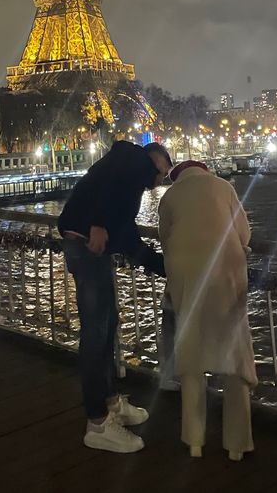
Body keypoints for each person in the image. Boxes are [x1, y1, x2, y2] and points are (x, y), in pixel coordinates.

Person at [58, 139, 172, 453]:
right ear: (154, 161)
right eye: (161, 173)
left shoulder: (125, 182)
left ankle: (109, 403)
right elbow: (105, 185)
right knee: (96, 334)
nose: (159, 181)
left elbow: (127, 235)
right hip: (85, 245)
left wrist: (164, 267)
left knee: (106, 328)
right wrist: (96, 223)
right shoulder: (133, 161)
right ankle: (97, 423)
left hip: (89, 248)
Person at [158, 160, 256, 461]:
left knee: (191, 359)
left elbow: (165, 239)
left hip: (188, 283)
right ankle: (237, 444)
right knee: (234, 358)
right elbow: (245, 234)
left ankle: (194, 440)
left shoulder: (169, 197)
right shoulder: (224, 187)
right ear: (204, 171)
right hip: (226, 281)